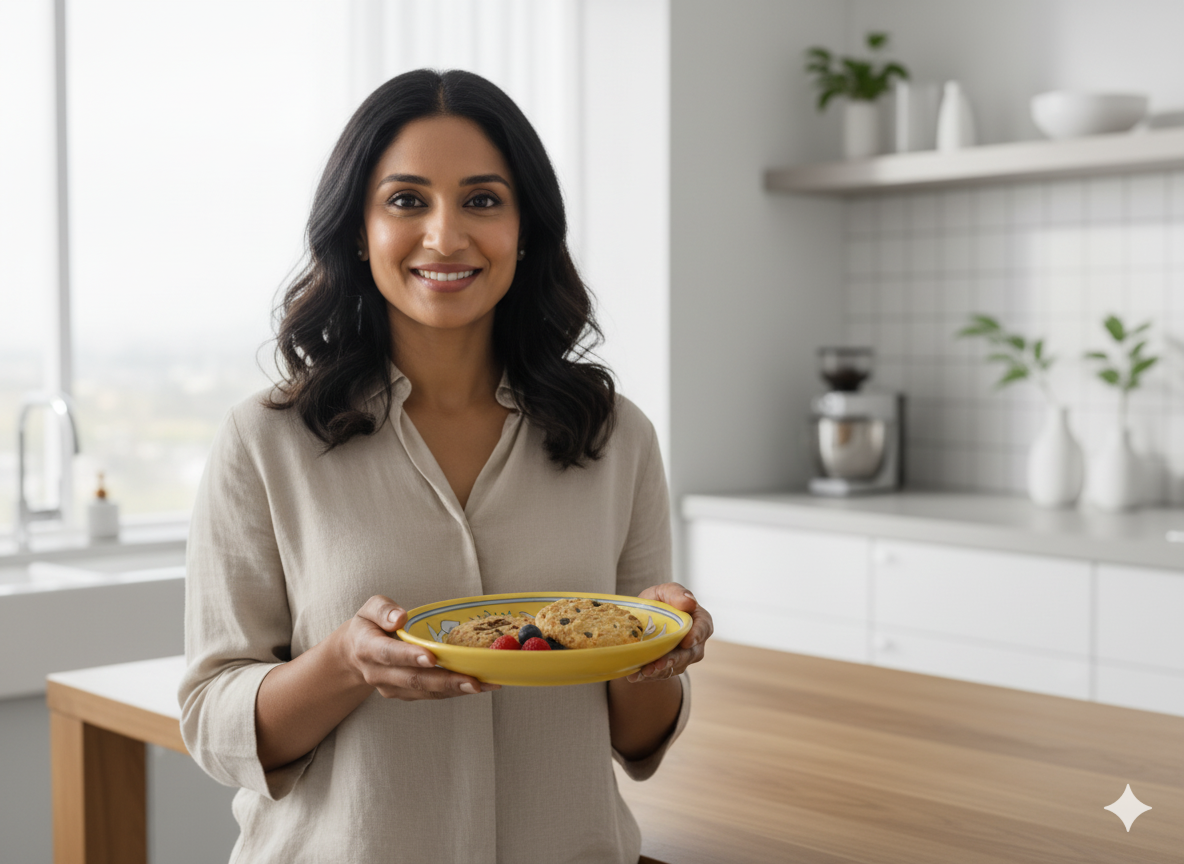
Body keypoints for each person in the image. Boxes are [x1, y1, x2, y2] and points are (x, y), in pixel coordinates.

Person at [179, 68, 712, 864]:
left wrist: (656, 651)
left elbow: (638, 742)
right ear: (358, 229)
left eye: (483, 200)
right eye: (406, 200)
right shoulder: (266, 440)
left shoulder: (614, 437)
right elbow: (214, 724)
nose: (445, 235)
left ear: (526, 226)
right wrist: (343, 664)